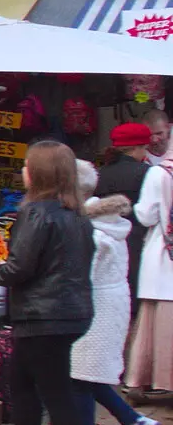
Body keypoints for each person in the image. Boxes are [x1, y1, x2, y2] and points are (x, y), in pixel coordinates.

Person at [0, 140, 97, 425]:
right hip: (67, 311)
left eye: (26, 165)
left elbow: (21, 267)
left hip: (43, 313)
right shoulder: (76, 216)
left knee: (55, 392)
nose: (22, 170)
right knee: (21, 381)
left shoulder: (37, 213)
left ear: (37, 173)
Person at [53, 161, 160, 425]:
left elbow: (78, 273)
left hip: (93, 308)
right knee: (87, 377)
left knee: (80, 377)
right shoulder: (106, 222)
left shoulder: (90, 230)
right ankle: (131, 424)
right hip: (109, 305)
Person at [126, 142, 173, 395]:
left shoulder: (159, 173)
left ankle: (149, 381)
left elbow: (146, 215)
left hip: (163, 260)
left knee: (152, 326)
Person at [96, 122, 154, 297]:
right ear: (137, 148)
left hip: (104, 239)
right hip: (138, 240)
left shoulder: (101, 173)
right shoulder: (147, 172)